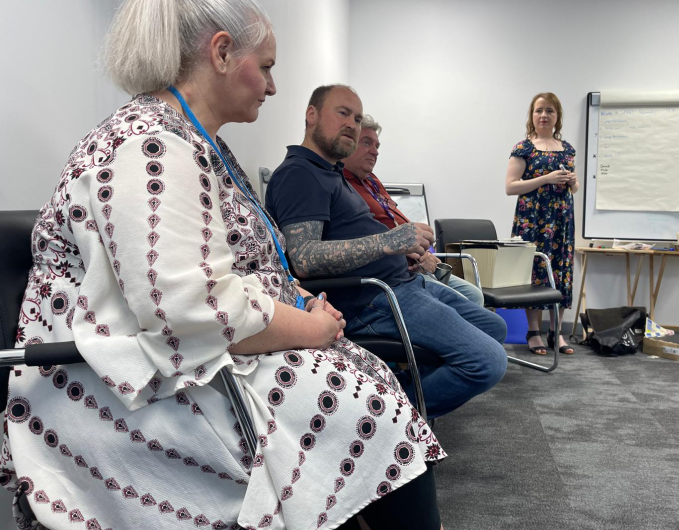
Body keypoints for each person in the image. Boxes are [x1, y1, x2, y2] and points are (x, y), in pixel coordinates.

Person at [0, 2, 446, 529]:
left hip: (183, 355)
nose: (274, 87)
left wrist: (298, 301)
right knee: (367, 402)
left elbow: (234, 264)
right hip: (119, 386)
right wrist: (311, 325)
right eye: (269, 67)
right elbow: (192, 311)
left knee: (364, 393)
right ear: (222, 52)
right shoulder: (148, 145)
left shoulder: (194, 142)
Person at [265, 84, 508, 420]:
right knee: (488, 361)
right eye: (342, 113)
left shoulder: (333, 174)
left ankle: (393, 391)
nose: (352, 123)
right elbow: (304, 259)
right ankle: (388, 417)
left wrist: (400, 249)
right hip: (374, 299)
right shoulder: (299, 174)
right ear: (311, 115)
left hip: (403, 283)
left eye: (357, 116)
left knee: (494, 329)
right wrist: (390, 242)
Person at [340, 114, 485, 306]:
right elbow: (367, 238)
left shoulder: (371, 181)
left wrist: (427, 253)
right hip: (396, 274)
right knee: (474, 305)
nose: (375, 152)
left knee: (474, 296)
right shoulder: (342, 187)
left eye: (377, 146)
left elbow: (397, 221)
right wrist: (417, 258)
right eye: (366, 143)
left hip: (419, 263)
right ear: (349, 144)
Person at [505, 92, 578, 355]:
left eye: (549, 111)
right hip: (532, 220)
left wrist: (571, 182)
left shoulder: (567, 149)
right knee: (535, 273)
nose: (544, 115)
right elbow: (510, 187)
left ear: (557, 116)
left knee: (560, 272)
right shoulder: (523, 148)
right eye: (539, 111)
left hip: (561, 221)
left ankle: (555, 332)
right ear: (532, 116)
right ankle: (533, 331)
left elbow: (576, 186)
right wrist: (545, 179)